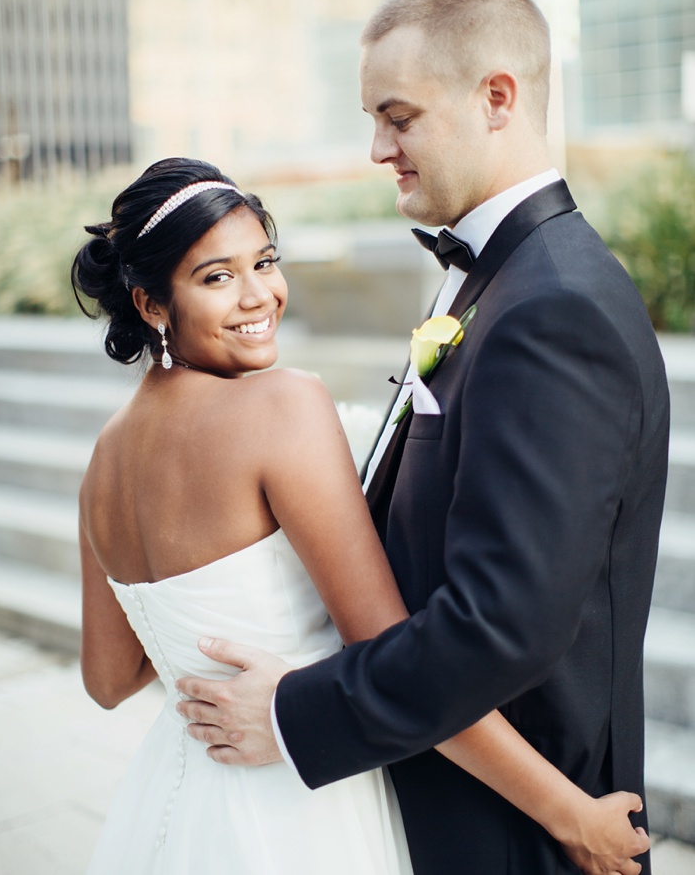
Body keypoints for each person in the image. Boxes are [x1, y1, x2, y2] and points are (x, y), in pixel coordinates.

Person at [174, 0, 670, 875]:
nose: (376, 149)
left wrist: (295, 713)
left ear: (497, 98)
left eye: (397, 117)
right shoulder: (500, 278)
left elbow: (500, 624)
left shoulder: (554, 308)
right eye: (372, 119)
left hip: (515, 833)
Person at [74, 157, 651, 875]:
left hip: (178, 792)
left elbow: (107, 679)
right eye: (217, 277)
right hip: (298, 801)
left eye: (265, 262)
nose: (260, 296)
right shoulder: (281, 406)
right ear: (152, 304)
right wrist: (567, 811)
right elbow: (389, 646)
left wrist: (201, 649)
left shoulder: (103, 458)